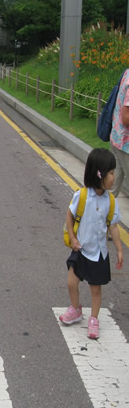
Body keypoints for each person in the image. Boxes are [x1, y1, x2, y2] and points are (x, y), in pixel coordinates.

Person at [60, 148, 124, 339]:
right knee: (72, 282)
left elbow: (113, 227)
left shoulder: (110, 201)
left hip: (99, 254)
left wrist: (119, 250)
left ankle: (94, 319)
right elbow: (70, 216)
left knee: (96, 290)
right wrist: (72, 238)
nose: (114, 177)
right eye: (111, 173)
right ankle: (75, 309)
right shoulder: (82, 196)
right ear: (99, 174)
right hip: (81, 250)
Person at [110, 68, 129, 197]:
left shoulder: (127, 72)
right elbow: (126, 117)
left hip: (116, 138)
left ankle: (100, 216)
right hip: (126, 145)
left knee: (110, 189)